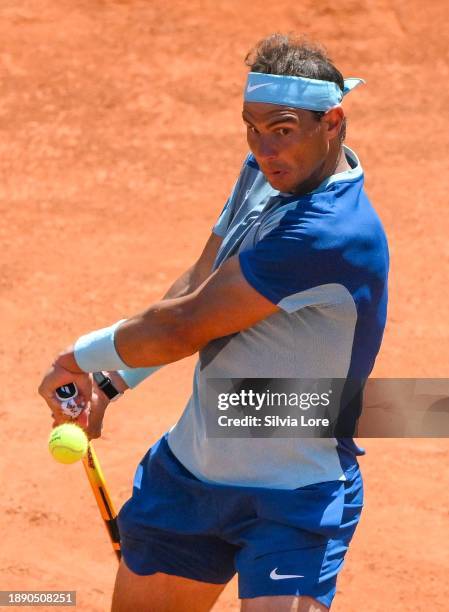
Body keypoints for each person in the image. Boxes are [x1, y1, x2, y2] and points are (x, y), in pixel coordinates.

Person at [39, 33, 389, 612]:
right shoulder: (264, 173)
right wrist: (109, 382)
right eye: (251, 127)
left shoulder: (332, 232)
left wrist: (78, 358)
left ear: (332, 122)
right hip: (191, 478)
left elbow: (186, 327)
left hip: (294, 499)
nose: (264, 147)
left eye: (281, 129)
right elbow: (199, 285)